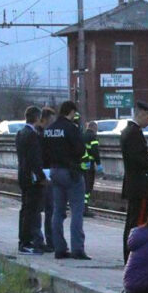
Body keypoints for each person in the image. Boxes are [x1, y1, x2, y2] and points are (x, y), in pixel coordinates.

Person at [44, 100, 89, 260]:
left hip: (54, 171)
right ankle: (77, 249)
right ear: (71, 112)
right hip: (71, 172)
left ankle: (59, 248)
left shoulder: (49, 129)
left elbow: (45, 151)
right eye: (74, 113)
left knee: (58, 211)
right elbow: (80, 150)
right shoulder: (71, 128)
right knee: (77, 211)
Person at [121, 101, 148, 264]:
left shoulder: (129, 131)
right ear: (143, 114)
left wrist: (147, 154)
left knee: (132, 222)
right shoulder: (134, 133)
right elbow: (138, 161)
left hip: (134, 185)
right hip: (140, 187)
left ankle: (130, 257)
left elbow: (135, 156)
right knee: (138, 223)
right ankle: (133, 258)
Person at [15, 106, 48, 255]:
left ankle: (23, 241)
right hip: (32, 178)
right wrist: (42, 176)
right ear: (37, 118)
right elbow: (34, 159)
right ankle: (26, 242)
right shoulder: (32, 135)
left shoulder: (20, 133)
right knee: (31, 211)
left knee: (25, 209)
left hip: (23, 175)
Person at [38, 107, 56, 252]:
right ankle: (48, 241)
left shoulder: (40, 134)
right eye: (51, 120)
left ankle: (47, 240)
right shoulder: (41, 136)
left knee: (48, 209)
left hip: (46, 173)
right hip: (45, 174)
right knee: (48, 208)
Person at [80, 121, 102, 217]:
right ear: (94, 128)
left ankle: (81, 206)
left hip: (81, 164)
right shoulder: (93, 137)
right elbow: (95, 151)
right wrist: (99, 163)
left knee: (82, 185)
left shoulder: (81, 136)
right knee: (88, 186)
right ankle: (84, 208)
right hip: (90, 165)